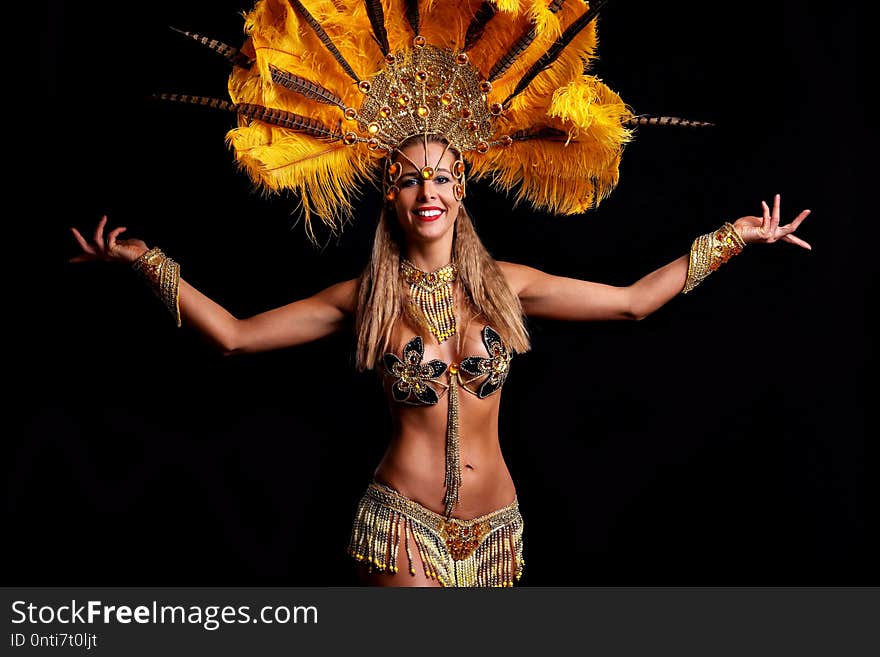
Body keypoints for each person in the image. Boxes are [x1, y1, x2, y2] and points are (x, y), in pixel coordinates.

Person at [69, 1, 811, 586]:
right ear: (389, 193)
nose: (429, 188)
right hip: (403, 525)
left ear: (463, 189)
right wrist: (146, 263)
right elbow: (233, 335)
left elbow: (631, 301)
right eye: (410, 176)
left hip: (499, 532)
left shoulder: (509, 286)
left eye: (443, 174)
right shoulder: (364, 298)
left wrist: (733, 237)